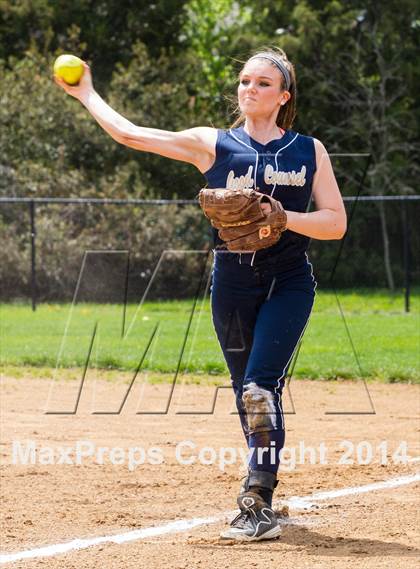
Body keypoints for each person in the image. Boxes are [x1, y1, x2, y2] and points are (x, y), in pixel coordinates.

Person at [54, 47, 346, 542]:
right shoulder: (213, 144)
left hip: (288, 278)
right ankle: (263, 481)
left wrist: (283, 217)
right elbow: (131, 134)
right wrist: (86, 94)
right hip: (231, 280)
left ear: (282, 97)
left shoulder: (308, 150)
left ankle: (258, 498)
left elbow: (335, 223)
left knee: (259, 386)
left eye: (262, 84)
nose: (249, 89)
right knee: (246, 392)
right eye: (245, 81)